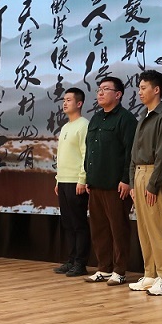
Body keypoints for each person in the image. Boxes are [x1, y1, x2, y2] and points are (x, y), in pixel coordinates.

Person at [84, 77, 138, 286]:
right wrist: (88, 176)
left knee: (118, 228)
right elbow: (90, 149)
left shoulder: (126, 119)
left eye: (106, 89)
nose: (100, 93)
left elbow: (130, 151)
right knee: (99, 229)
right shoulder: (96, 118)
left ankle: (119, 270)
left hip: (116, 185)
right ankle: (103, 268)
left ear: (118, 94)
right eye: (99, 89)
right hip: (95, 182)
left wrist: (126, 179)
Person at [128, 70, 162, 295]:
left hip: (153, 175)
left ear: (156, 90)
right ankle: (150, 273)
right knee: (144, 227)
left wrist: (152, 184)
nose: (140, 92)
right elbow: (134, 151)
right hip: (139, 173)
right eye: (139, 88)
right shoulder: (144, 115)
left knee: (158, 227)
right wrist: (132, 182)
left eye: (143, 88)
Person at [53, 87, 90, 277]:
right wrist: (58, 180)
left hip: (77, 181)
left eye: (69, 100)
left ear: (79, 103)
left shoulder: (84, 125)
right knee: (67, 223)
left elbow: (85, 154)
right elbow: (62, 156)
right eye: (64, 100)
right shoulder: (66, 127)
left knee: (78, 223)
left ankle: (80, 263)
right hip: (64, 181)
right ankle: (71, 259)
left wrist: (82, 179)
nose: (65, 103)